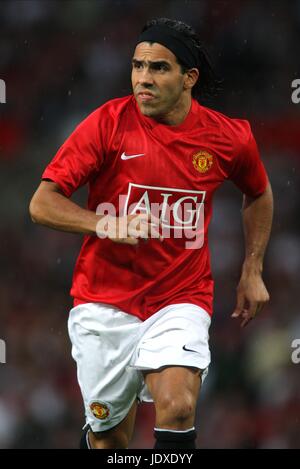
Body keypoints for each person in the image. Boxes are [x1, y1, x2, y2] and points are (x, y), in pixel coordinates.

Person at [29, 17, 273, 450]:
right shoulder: (108, 123)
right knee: (109, 440)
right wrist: (105, 224)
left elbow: (258, 192)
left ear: (189, 77)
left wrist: (253, 267)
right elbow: (42, 203)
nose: (143, 78)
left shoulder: (228, 138)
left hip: (180, 297)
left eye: (158, 68)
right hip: (104, 301)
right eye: (138, 66)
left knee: (178, 408)